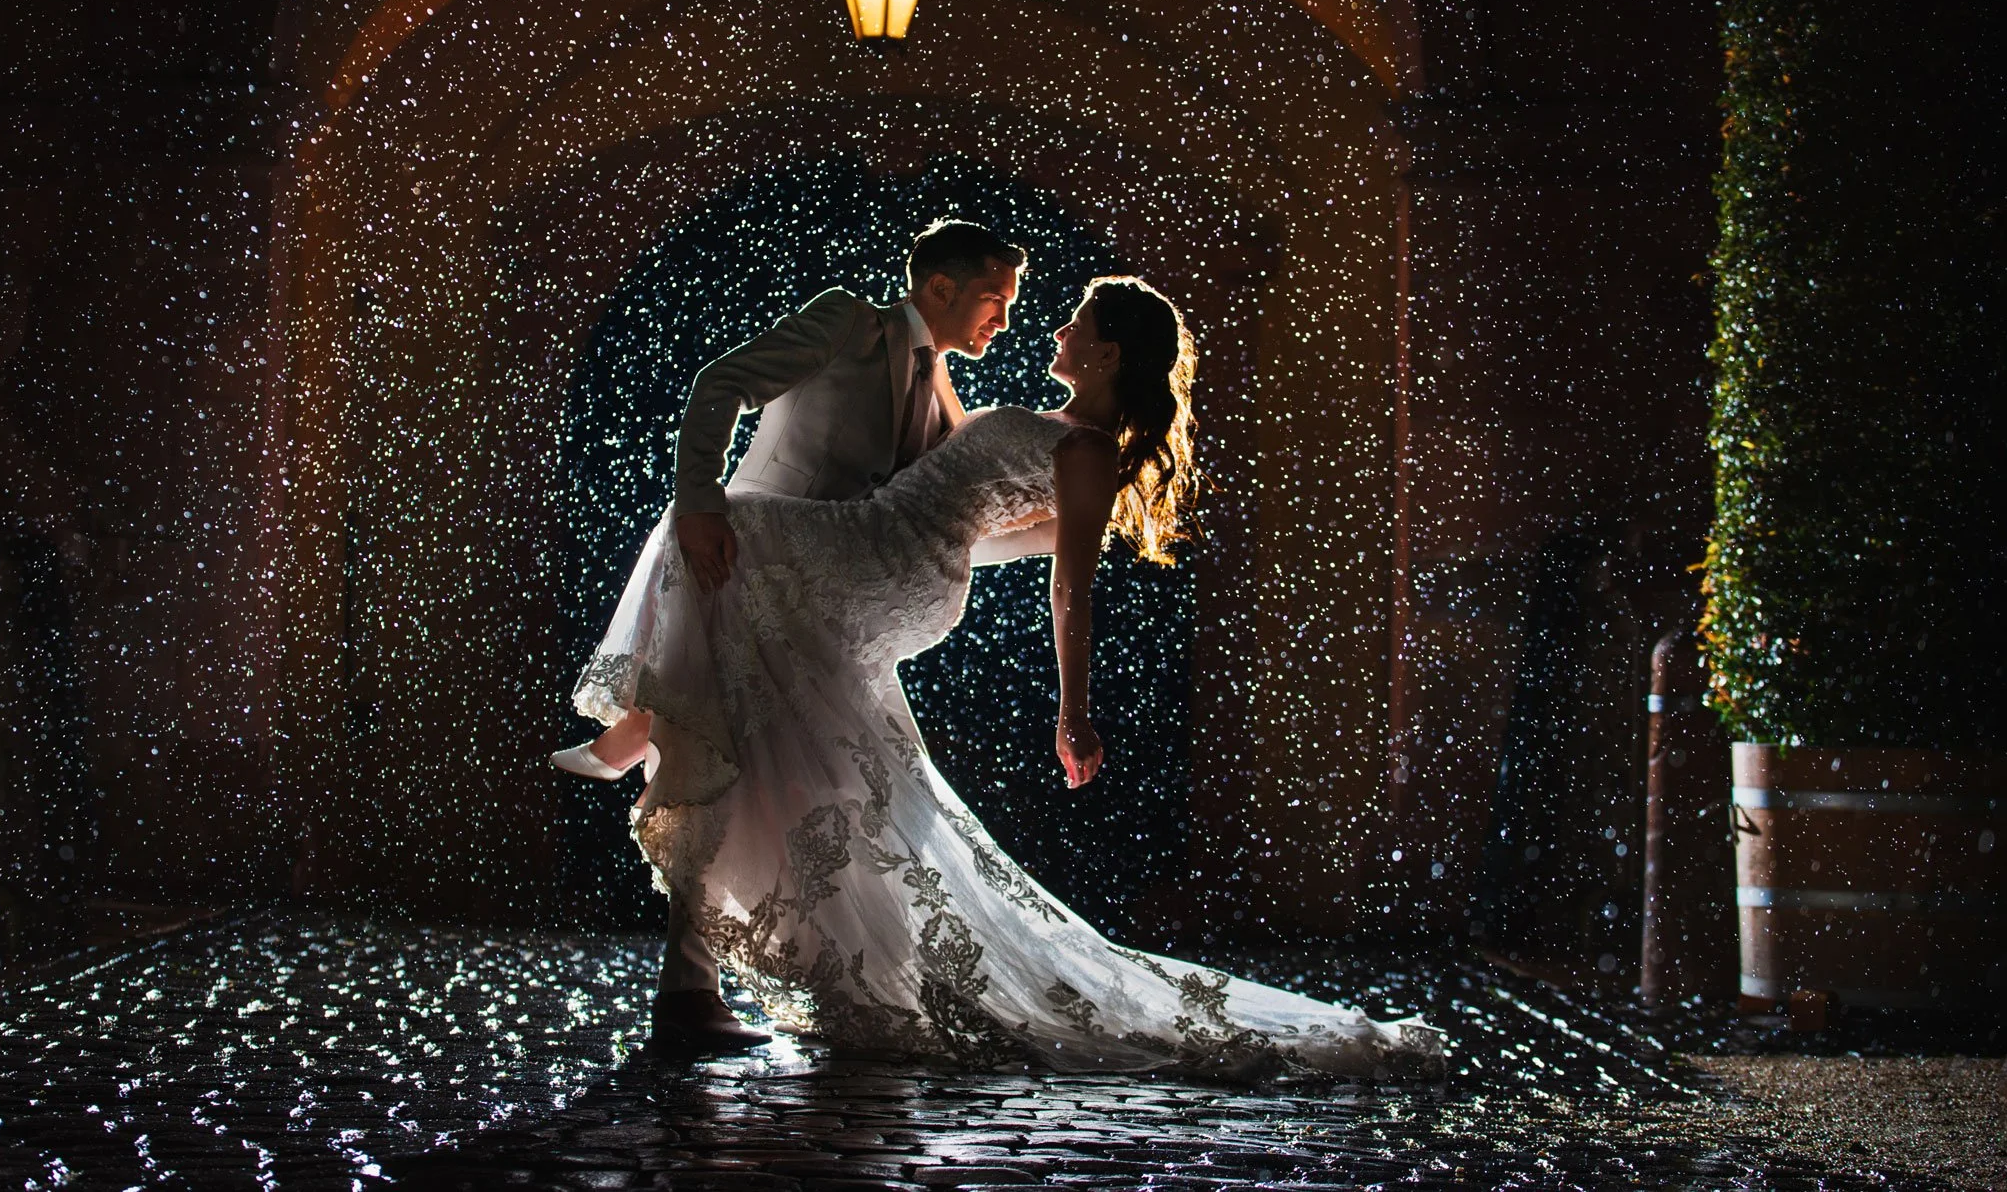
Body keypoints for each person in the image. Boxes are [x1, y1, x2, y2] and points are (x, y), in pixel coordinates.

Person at [561, 268, 1444, 1077]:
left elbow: (1069, 583)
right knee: (745, 638)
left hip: (889, 560)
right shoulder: (1052, 429)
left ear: (1106, 353)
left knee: (726, 519)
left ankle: (642, 720)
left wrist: (1074, 711)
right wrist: (941, 539)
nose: (1053, 329)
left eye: (1075, 322)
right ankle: (665, 776)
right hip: (896, 550)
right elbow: (990, 528)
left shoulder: (1088, 451)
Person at [554, 217, 1028, 1049]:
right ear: (939, 287)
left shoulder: (944, 392)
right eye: (995, 298)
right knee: (727, 775)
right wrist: (699, 503)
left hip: (824, 614)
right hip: (743, 567)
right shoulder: (850, 322)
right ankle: (693, 994)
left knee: (827, 799)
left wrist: (1071, 525)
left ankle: (810, 986)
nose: (1004, 319)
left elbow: (933, 522)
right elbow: (721, 383)